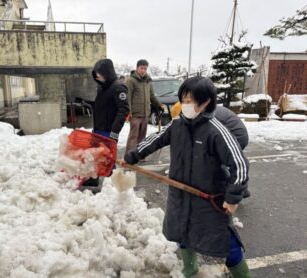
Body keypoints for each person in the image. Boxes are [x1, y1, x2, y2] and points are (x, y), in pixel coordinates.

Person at [124, 77, 251, 277]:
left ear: (206, 102)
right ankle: (189, 268)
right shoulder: (176, 125)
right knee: (181, 231)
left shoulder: (216, 131)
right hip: (180, 195)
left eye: (190, 100)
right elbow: (154, 140)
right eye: (183, 99)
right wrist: (133, 155)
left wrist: (233, 197)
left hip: (207, 199)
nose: (185, 105)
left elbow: (240, 164)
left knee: (226, 243)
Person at [171, 100, 251, 198]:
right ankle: (242, 189)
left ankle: (228, 192)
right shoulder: (200, 110)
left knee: (214, 163)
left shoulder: (206, 117)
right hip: (237, 132)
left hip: (237, 135)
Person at [82, 58, 129, 189]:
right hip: (98, 128)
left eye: (99, 73)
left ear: (107, 72)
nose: (97, 76)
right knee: (95, 156)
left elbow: (123, 110)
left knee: (108, 159)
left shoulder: (118, 87)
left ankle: (112, 186)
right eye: (96, 74)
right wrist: (88, 103)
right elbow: (103, 106)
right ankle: (93, 178)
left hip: (108, 130)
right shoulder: (102, 87)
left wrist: (114, 133)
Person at [125, 59, 164, 153]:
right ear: (137, 68)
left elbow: (152, 96)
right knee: (133, 135)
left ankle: (139, 154)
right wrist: (128, 111)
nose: (143, 70)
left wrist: (159, 105)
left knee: (142, 135)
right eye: (141, 68)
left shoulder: (148, 81)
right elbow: (128, 96)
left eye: (145, 68)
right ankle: (129, 155)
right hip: (135, 114)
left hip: (145, 113)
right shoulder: (131, 80)